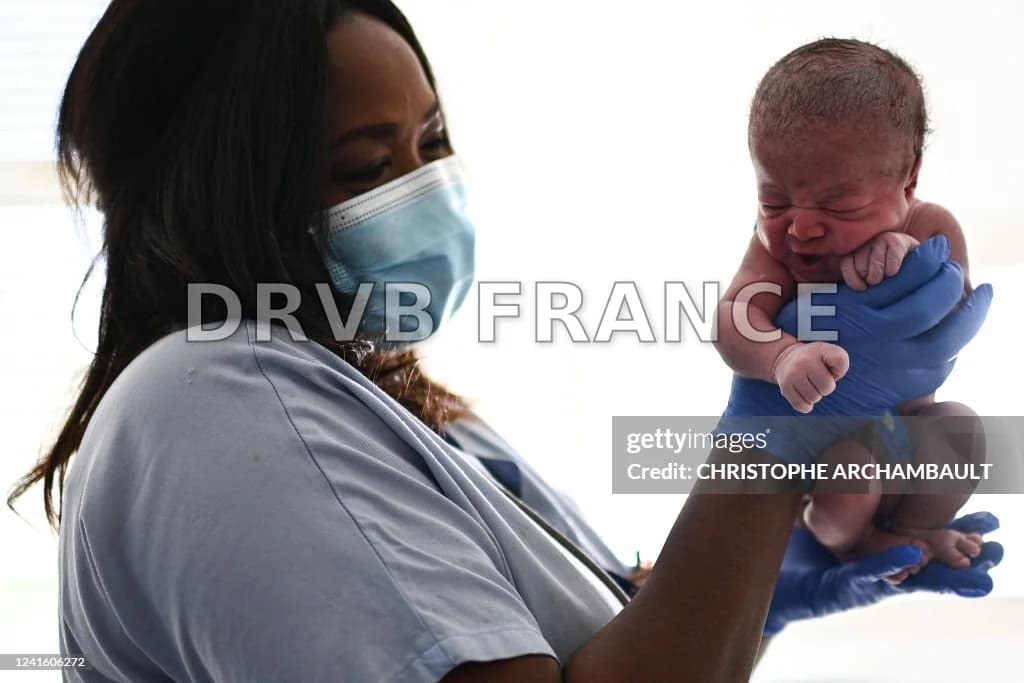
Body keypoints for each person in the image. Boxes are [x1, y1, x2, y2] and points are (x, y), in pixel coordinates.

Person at [4, 2, 1001, 681]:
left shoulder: (419, 423)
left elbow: (634, 650)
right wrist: (775, 429)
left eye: (430, 144)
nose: (426, 189)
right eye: (364, 167)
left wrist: (760, 581)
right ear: (227, 195)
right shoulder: (220, 397)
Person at [715, 38, 986, 583]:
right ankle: (852, 542)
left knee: (963, 430)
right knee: (851, 473)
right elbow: (733, 318)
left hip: (906, 430)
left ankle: (916, 527)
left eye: (839, 206)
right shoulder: (775, 251)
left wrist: (914, 262)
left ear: (908, 178)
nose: (802, 227)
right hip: (832, 447)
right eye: (774, 202)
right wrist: (782, 356)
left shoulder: (931, 225)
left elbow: (954, 307)